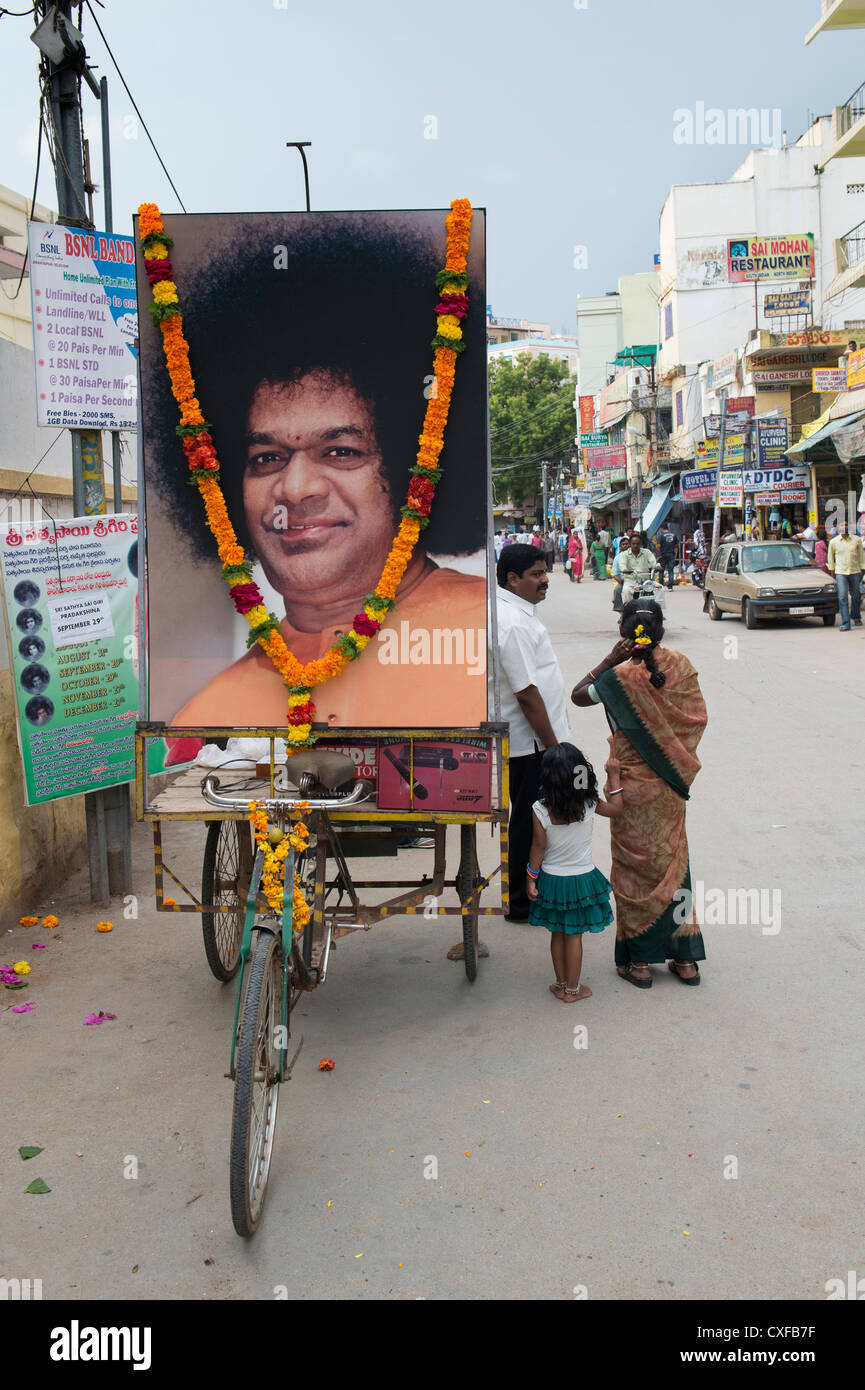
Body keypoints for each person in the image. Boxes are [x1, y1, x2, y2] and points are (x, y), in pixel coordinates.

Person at [140, 213, 488, 747]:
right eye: (265, 458)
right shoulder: (206, 719)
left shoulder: (483, 634)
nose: (297, 489)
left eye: (341, 451)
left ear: (408, 467)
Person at [570, 599, 708, 988]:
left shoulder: (618, 677)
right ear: (661, 629)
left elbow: (579, 695)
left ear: (622, 632)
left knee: (633, 870)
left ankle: (641, 964)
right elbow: (697, 721)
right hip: (670, 785)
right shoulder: (681, 665)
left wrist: (607, 661)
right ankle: (685, 962)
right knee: (672, 865)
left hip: (627, 786)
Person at [491, 544, 570, 924]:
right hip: (530, 743)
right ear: (513, 579)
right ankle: (522, 902)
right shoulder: (512, 621)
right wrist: (555, 750)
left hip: (534, 740)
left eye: (544, 572)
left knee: (533, 817)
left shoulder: (516, 613)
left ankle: (528, 893)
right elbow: (526, 692)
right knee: (528, 820)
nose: (545, 580)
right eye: (537, 574)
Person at [526, 742, 621, 1004]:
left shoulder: (539, 808)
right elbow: (617, 809)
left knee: (557, 933)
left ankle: (559, 983)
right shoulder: (589, 803)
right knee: (574, 935)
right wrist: (614, 776)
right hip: (581, 881)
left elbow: (538, 846)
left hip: (552, 881)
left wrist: (530, 877)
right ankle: (573, 990)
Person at [827, 520, 865, 630]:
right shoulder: (834, 542)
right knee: (843, 597)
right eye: (842, 525)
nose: (845, 527)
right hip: (840, 572)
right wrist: (832, 573)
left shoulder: (856, 540)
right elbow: (831, 559)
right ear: (838, 528)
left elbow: (861, 557)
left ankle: (856, 615)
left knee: (856, 596)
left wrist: (862, 571)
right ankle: (845, 623)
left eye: (847, 525)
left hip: (855, 571)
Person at [618, 531, 654, 604]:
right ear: (630, 544)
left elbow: (653, 561)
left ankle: (658, 613)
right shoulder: (624, 554)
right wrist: (625, 569)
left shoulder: (646, 552)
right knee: (626, 591)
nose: (635, 546)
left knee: (660, 589)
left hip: (645, 581)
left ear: (641, 544)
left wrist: (657, 566)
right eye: (633, 544)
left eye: (637, 544)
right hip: (630, 581)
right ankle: (628, 610)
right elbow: (622, 565)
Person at [656, 523, 677, 590]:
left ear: (662, 529)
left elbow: (658, 546)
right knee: (670, 570)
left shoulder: (661, 536)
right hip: (671, 554)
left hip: (663, 554)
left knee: (661, 570)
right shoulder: (674, 535)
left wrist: (659, 550)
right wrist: (675, 554)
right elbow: (676, 546)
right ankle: (670, 587)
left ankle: (661, 585)